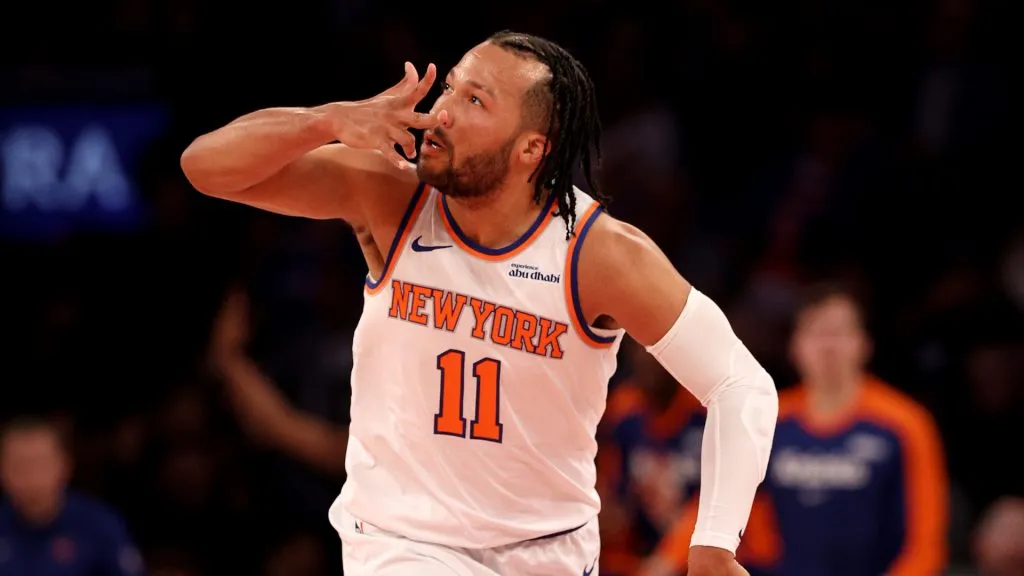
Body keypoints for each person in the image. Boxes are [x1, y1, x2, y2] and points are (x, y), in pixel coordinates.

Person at [181, 30, 778, 576]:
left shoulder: (599, 254)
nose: (441, 111)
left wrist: (714, 544)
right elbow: (206, 168)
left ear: (530, 150)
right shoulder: (389, 194)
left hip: (552, 551)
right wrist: (327, 121)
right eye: (451, 87)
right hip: (401, 541)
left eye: (475, 101)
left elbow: (739, 384)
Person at [646, 283, 949, 576]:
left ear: (864, 344)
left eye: (840, 333)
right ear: (795, 346)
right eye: (817, 333)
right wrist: (663, 563)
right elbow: (712, 507)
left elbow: (926, 546)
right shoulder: (769, 418)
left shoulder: (906, 423)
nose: (828, 346)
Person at [0, 417, 144, 576]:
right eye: (19, 465)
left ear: (64, 465)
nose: (31, 476)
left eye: (39, 463)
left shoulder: (99, 525)